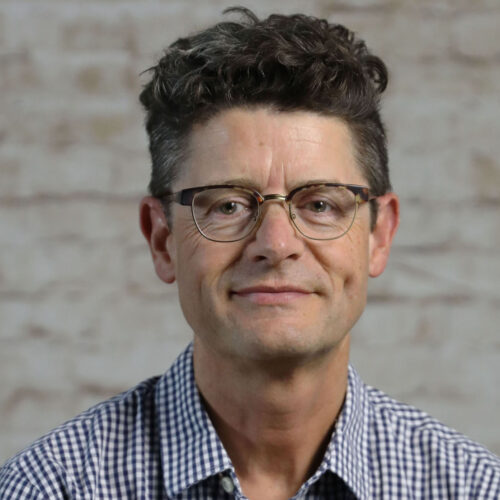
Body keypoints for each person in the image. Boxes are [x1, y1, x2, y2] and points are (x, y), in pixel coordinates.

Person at [1, 7, 499, 500]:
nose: (277, 245)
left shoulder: (472, 488)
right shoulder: (51, 488)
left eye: (320, 204)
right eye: (229, 205)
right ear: (161, 239)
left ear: (379, 235)